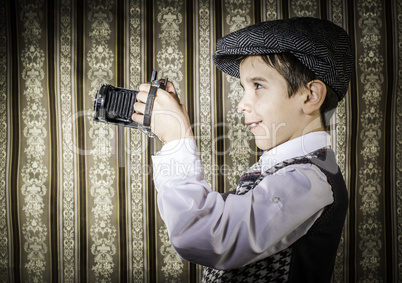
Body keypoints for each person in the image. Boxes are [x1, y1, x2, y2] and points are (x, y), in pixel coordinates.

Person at [132, 17, 353, 282]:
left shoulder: (308, 180)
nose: (241, 105)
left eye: (258, 86)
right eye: (244, 88)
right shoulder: (284, 169)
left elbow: (211, 236)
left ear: (310, 96)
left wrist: (178, 139)